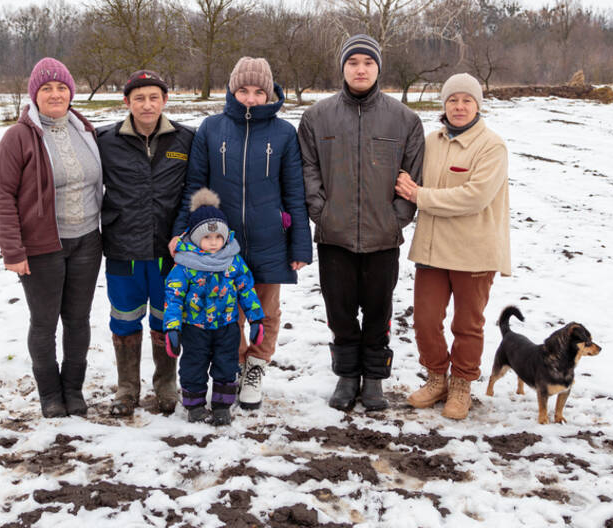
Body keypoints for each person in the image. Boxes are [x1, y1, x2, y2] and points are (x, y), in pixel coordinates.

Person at [169, 57, 311, 410]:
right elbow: (194, 187)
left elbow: (294, 191)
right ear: (232, 91)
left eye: (258, 91)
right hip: (218, 243)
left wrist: (300, 244)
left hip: (269, 239)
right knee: (226, 310)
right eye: (243, 90)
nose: (250, 98)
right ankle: (230, 367)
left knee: (265, 309)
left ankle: (256, 369)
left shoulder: (283, 133)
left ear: (269, 93)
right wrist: (180, 233)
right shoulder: (211, 128)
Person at [298, 35, 425, 412]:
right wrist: (321, 212)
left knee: (378, 310)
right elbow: (308, 170)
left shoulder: (404, 119)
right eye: (352, 62)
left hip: (382, 236)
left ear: (378, 68)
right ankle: (346, 375)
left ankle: (373, 380)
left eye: (367, 62)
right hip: (334, 235)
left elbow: (413, 177)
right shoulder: (317, 117)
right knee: (339, 311)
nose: (360, 68)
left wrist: (396, 218)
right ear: (343, 68)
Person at [394, 72, 510, 420]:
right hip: (432, 248)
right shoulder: (431, 142)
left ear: (478, 105)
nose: (459, 107)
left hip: (473, 250)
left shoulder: (491, 146)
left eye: (467, 100)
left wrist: (420, 195)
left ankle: (461, 383)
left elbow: (474, 197)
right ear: (444, 104)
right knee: (426, 320)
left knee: (467, 324)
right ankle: (436, 377)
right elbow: (409, 179)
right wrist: (404, 182)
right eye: (453, 100)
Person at [0, 57, 103, 418]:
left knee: (78, 320)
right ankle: (50, 394)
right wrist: (13, 250)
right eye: (46, 88)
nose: (55, 94)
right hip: (42, 247)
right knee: (44, 323)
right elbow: (2, 195)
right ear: (34, 94)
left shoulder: (85, 130)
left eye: (62, 87)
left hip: (87, 240)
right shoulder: (18, 137)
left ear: (71, 92)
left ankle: (73, 389)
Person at [96, 70, 195, 416]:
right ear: (127, 102)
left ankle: (166, 384)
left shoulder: (186, 140)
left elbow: (194, 191)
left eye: (154, 97)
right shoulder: (105, 140)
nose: (147, 104)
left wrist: (183, 233)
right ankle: (127, 388)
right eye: (139, 98)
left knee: (165, 317)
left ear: (165, 100)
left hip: (169, 252)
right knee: (123, 318)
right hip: (123, 248)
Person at [164, 189, 265, 425]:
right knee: (193, 367)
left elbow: (246, 290)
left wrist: (256, 319)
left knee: (226, 367)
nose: (213, 242)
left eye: (218, 237)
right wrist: (172, 328)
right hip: (194, 328)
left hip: (227, 327)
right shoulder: (184, 265)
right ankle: (195, 406)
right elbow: (174, 298)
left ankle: (221, 406)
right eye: (207, 238)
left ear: (225, 238)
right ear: (195, 237)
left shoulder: (233, 261)